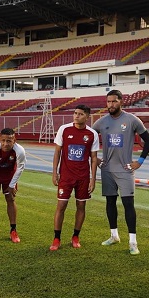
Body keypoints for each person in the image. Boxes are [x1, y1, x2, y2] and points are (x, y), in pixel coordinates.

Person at [92, 89, 149, 255]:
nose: (110, 105)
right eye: (108, 102)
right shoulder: (101, 122)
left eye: (114, 101)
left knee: (128, 204)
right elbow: (88, 138)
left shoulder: (131, 120)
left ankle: (133, 242)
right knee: (110, 203)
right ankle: (114, 236)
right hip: (107, 169)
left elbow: (148, 140)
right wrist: (96, 160)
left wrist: (139, 161)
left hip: (125, 170)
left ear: (121, 101)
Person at [50, 105, 99, 251]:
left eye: (80, 114)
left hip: (83, 177)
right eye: (75, 113)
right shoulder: (64, 129)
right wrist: (54, 172)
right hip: (66, 176)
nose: (76, 116)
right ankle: (56, 238)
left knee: (81, 206)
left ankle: (75, 236)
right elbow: (57, 152)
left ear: (87, 117)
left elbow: (94, 158)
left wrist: (93, 179)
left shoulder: (92, 134)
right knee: (61, 206)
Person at [0, 128, 26, 244]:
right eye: (3, 141)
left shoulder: (20, 150)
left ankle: (13, 230)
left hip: (9, 175)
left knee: (11, 199)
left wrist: (12, 185)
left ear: (14, 141)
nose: (5, 144)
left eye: (9, 141)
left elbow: (20, 168)